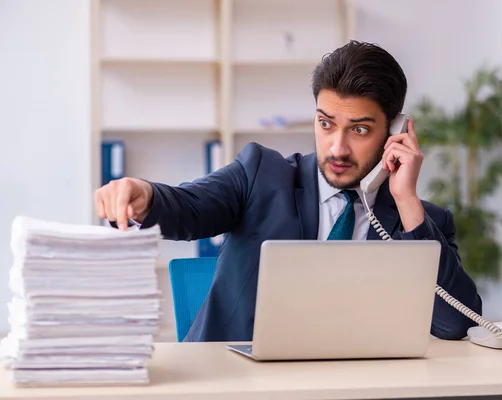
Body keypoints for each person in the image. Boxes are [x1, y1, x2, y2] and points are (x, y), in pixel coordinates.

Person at [95, 40, 482, 342]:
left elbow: (457, 323)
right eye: (326, 124)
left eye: (360, 130)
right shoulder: (261, 174)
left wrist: (407, 201)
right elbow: (190, 205)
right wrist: (144, 194)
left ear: (394, 132)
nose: (338, 148)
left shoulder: (421, 221)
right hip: (239, 385)